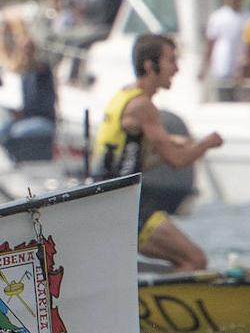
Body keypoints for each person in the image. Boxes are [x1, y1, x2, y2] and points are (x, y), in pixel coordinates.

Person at [93, 33, 224, 270]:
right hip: (125, 206)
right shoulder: (144, 106)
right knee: (195, 259)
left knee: (184, 259)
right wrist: (206, 144)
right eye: (171, 61)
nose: (177, 69)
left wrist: (174, 141)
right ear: (149, 65)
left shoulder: (124, 95)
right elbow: (175, 161)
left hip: (111, 203)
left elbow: (132, 158)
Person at [0, 16, 57, 160]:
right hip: (26, 117)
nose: (25, 53)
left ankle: (14, 159)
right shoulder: (23, 74)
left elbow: (38, 65)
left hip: (43, 119)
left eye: (28, 50)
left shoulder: (42, 70)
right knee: (0, 130)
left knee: (17, 132)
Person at [199, 0, 248, 98]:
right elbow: (210, 44)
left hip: (244, 73)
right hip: (223, 70)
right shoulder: (217, 17)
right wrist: (204, 68)